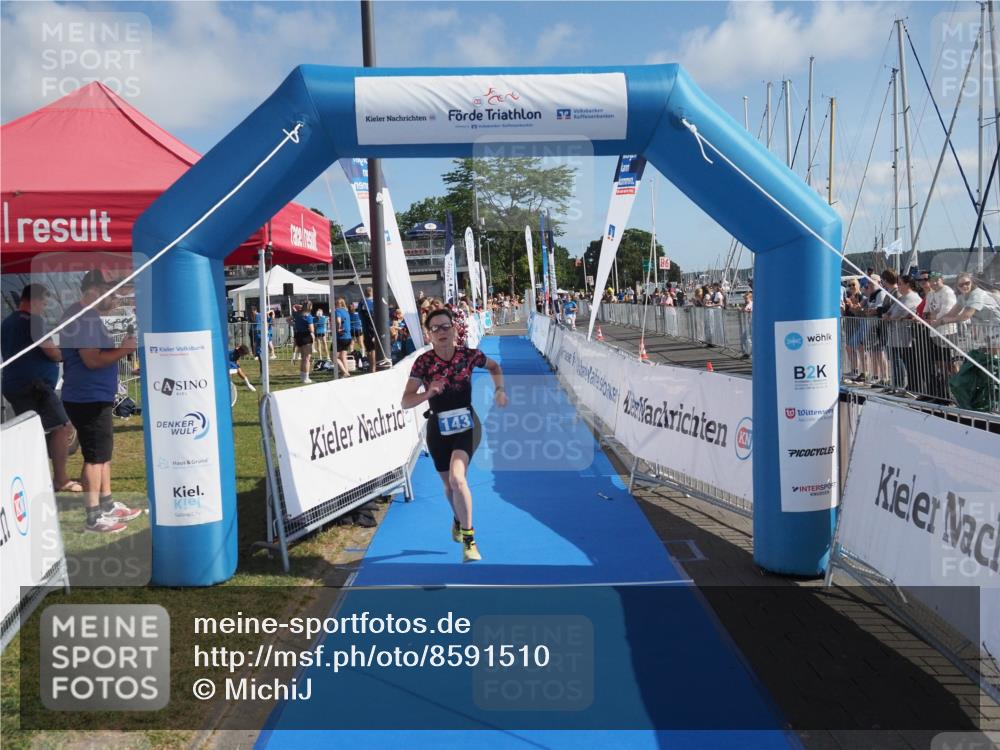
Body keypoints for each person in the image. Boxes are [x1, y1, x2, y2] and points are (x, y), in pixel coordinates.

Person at [400, 307, 507, 562]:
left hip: (467, 425)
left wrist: (499, 390)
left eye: (445, 326)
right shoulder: (423, 363)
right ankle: (458, 519)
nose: (442, 332)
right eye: (435, 328)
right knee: (448, 486)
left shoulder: (469, 356)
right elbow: (405, 401)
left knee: (458, 479)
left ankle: (469, 541)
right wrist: (428, 393)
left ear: (455, 329)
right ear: (429, 335)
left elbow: (495, 367)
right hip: (438, 428)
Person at [59, 270, 142, 533]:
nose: (117, 299)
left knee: (103, 454)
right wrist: (124, 350)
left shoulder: (88, 316)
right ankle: (94, 516)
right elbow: (92, 359)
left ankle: (105, 503)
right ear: (96, 289)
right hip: (88, 397)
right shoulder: (84, 318)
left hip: (94, 395)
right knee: (95, 456)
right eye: (113, 293)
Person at [1, 284, 79, 493]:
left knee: (31, 431)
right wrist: (65, 354)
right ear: (33, 300)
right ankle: (61, 479)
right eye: (43, 303)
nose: (44, 308)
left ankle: (32, 478)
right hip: (35, 386)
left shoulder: (7, 322)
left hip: (14, 384)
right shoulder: (33, 321)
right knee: (62, 427)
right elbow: (51, 351)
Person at [291, 301, 315, 384]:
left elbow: (294, 306)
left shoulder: (297, 314)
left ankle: (302, 376)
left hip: (298, 336)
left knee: (303, 358)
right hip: (306, 337)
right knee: (307, 358)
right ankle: (306, 377)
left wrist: (300, 306)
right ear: (310, 307)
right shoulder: (309, 316)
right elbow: (312, 330)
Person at [334, 298, 354, 377]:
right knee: (343, 356)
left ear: (337, 304)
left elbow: (338, 320)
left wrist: (338, 328)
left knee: (334, 357)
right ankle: (346, 374)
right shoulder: (346, 311)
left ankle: (345, 372)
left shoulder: (337, 311)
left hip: (341, 336)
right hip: (348, 336)